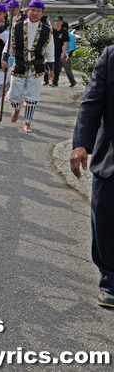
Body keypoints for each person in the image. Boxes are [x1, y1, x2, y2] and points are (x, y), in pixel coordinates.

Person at [70, 45, 114, 308]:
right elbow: (91, 103)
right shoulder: (111, 56)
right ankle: (110, 279)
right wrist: (81, 144)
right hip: (111, 156)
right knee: (105, 220)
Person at [6, 0, 54, 133]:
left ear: (42, 13)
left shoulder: (47, 30)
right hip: (19, 65)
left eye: (38, 11)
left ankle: (27, 122)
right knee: (13, 96)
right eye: (33, 10)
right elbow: (8, 46)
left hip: (36, 67)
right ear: (28, 11)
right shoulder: (17, 26)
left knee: (32, 97)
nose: (35, 13)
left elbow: (50, 51)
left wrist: (51, 70)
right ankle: (16, 109)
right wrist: (4, 58)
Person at [50, 16, 69, 86]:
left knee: (56, 67)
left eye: (59, 21)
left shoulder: (64, 32)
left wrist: (63, 52)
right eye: (56, 21)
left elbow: (65, 42)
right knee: (49, 66)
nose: (57, 23)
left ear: (62, 23)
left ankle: (55, 81)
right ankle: (49, 80)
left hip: (58, 52)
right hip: (50, 51)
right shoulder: (52, 30)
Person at [64, 22, 78, 87]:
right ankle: (54, 81)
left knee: (67, 69)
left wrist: (69, 56)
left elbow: (72, 47)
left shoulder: (70, 36)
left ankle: (73, 81)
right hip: (60, 54)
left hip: (67, 54)